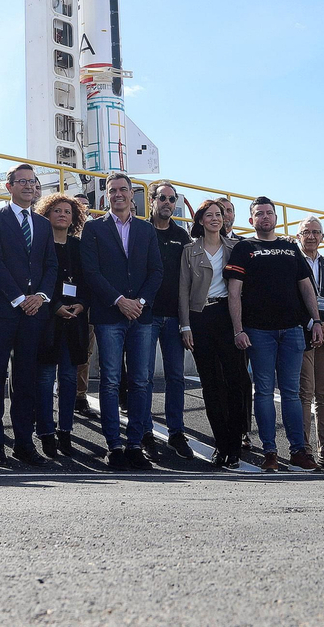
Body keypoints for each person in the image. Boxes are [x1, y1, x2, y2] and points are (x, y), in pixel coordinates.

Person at [226, 197, 323, 472]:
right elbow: (234, 292)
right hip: (259, 332)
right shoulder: (244, 248)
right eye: (260, 214)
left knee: (292, 393)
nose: (265, 217)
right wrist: (238, 329)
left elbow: (306, 287)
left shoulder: (290, 248)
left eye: (269, 213)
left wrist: (316, 320)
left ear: (276, 218)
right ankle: (270, 452)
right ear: (252, 220)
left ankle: (298, 451)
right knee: (264, 392)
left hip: (292, 331)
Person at [80, 172, 164, 471]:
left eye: (123, 190)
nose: (118, 194)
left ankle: (135, 445)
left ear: (132, 194)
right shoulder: (93, 229)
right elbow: (91, 272)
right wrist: (119, 301)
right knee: (111, 380)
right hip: (109, 315)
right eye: (112, 190)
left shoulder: (146, 229)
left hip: (141, 317)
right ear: (106, 195)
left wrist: (139, 303)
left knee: (141, 382)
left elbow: (156, 271)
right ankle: (114, 445)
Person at [0, 164, 61, 465]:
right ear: (9, 186)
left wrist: (39, 297)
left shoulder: (42, 224)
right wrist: (18, 297)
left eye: (33, 181)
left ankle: (24, 443)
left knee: (25, 379)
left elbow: (50, 265)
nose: (29, 186)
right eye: (22, 181)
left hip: (34, 313)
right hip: (4, 311)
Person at [178, 199, 248, 467]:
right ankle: (221, 443)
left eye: (219, 214)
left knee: (235, 381)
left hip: (228, 316)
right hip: (200, 318)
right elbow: (183, 290)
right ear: (200, 220)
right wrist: (185, 325)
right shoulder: (189, 251)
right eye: (210, 215)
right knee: (211, 384)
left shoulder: (236, 248)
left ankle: (235, 443)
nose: (216, 219)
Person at [35, 191, 89, 458]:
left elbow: (88, 279)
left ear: (74, 217)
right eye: (57, 210)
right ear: (47, 214)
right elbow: (35, 279)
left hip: (75, 319)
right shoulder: (39, 243)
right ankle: (45, 431)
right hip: (47, 319)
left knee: (68, 378)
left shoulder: (79, 247)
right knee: (45, 378)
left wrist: (81, 303)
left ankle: (64, 430)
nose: (62, 215)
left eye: (68, 211)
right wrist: (55, 305)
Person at [147, 180, 193, 456]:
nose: (167, 202)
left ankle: (176, 433)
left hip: (175, 317)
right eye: (162, 198)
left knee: (176, 377)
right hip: (146, 315)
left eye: (171, 199)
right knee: (144, 378)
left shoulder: (182, 237)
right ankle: (144, 432)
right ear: (152, 200)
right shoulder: (141, 231)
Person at [296, 217, 324, 468]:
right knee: (305, 393)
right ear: (298, 236)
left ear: (323, 237)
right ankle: (305, 449)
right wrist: (311, 324)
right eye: (306, 232)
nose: (311, 236)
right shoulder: (292, 261)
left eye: (316, 232)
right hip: (303, 337)